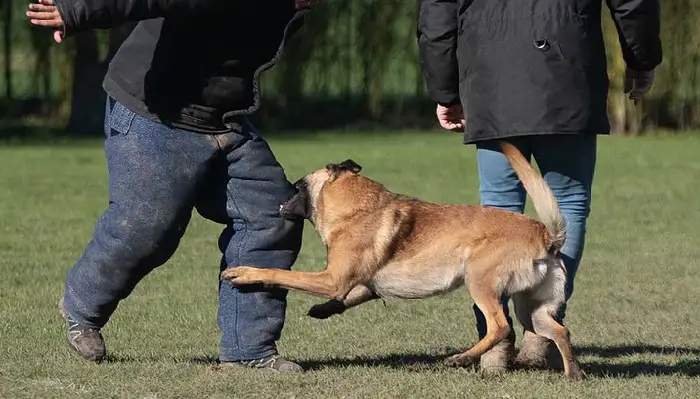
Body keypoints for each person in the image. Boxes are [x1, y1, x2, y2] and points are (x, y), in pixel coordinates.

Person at [26, 0, 321, 372]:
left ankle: (249, 351)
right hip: (155, 112)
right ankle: (82, 305)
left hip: (222, 121)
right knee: (147, 229)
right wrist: (78, 11)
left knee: (271, 214)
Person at [417, 0, 661, 375]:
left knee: (498, 208)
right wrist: (642, 58)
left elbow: (438, 10)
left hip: (492, 71)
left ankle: (493, 342)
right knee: (569, 204)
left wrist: (444, 87)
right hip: (568, 64)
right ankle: (542, 330)